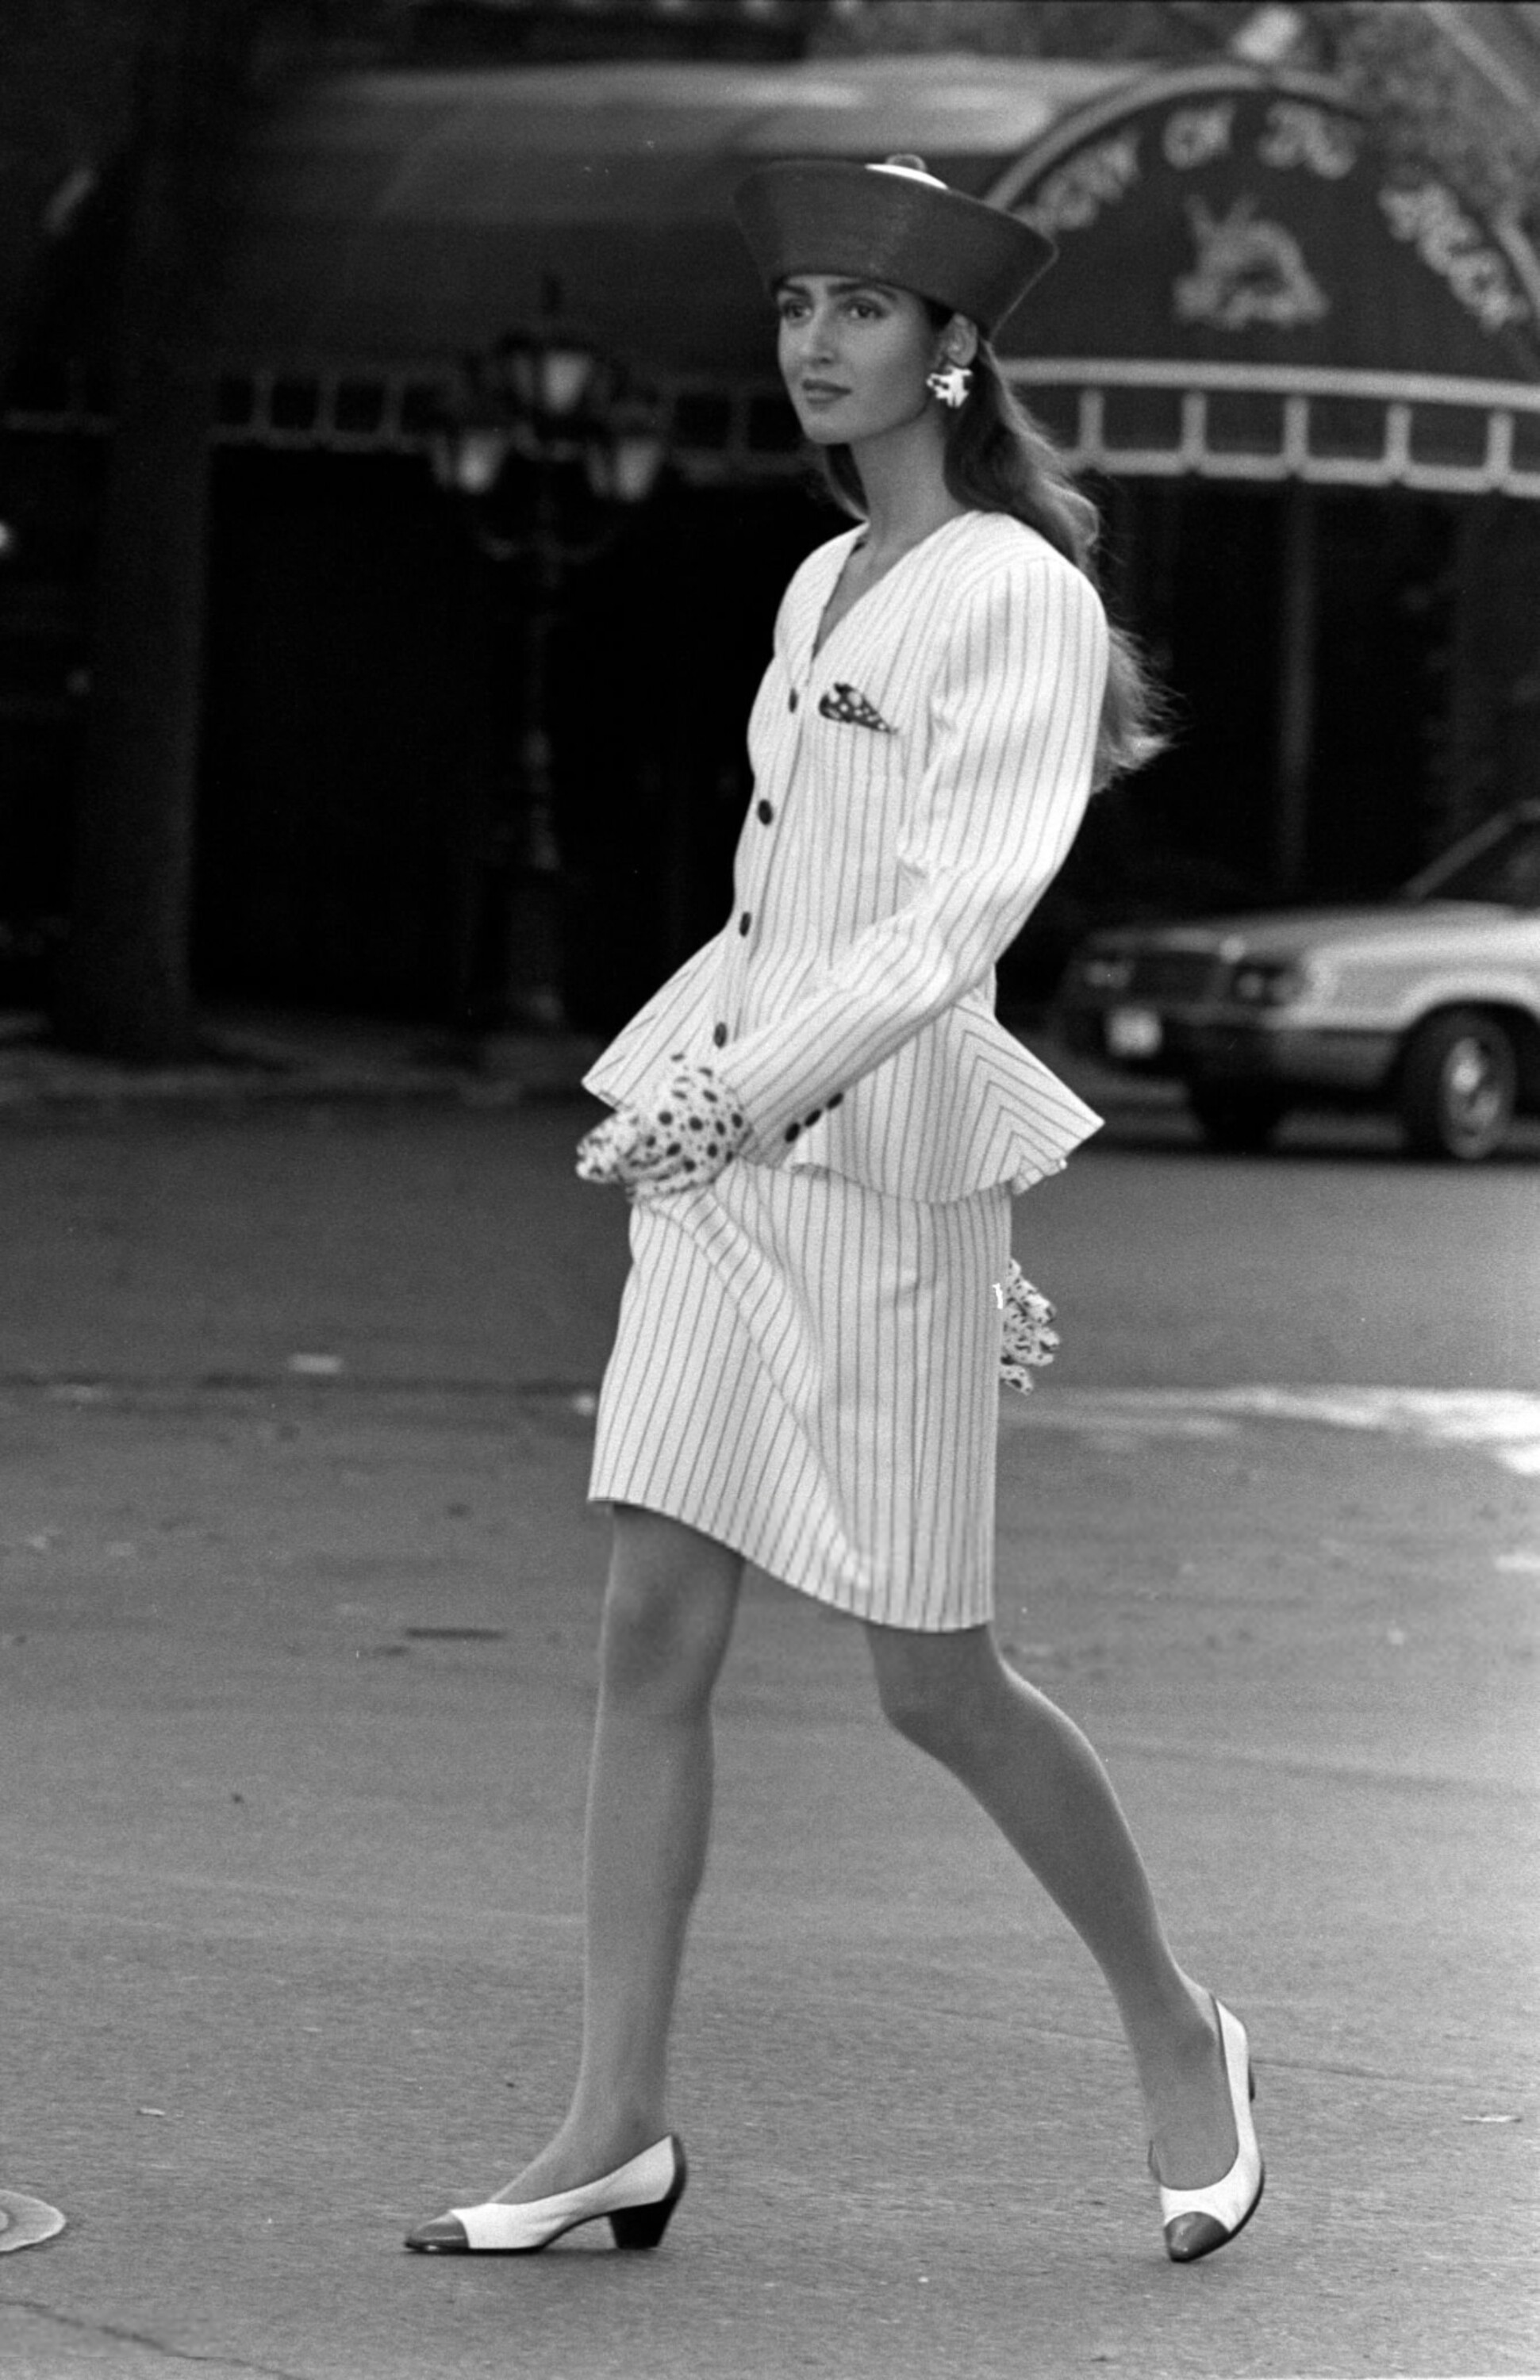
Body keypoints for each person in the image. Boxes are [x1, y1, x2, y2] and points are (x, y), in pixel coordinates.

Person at [406, 155, 1263, 2268]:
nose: (813, 342)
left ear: (951, 348)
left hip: (866, 1173)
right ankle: (612, 2124)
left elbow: (951, 924)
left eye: (859, 311)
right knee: (647, 1623)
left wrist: (768, 1107)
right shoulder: (817, 586)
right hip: (726, 1166)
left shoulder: (1016, 593)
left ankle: (1181, 2030)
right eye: (795, 304)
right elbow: (780, 899)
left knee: (931, 1681)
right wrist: (695, 1088)